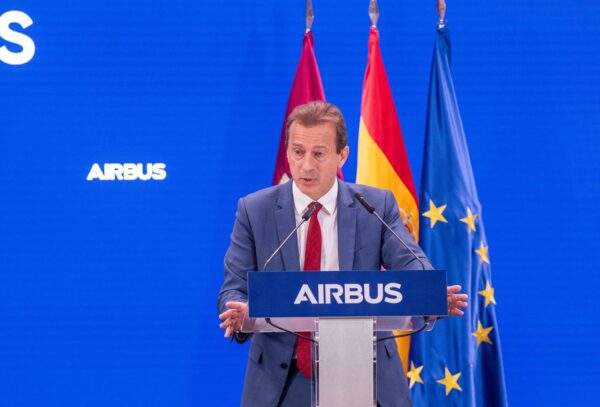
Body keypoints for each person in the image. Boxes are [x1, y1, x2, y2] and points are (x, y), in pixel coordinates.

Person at [218, 101, 467, 407]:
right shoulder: (255, 210)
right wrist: (241, 312)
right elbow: (233, 288)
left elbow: (411, 264)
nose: (306, 165)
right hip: (283, 379)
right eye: (298, 152)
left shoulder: (374, 206)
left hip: (366, 372)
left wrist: (429, 293)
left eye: (319, 154)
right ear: (287, 153)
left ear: (342, 155)